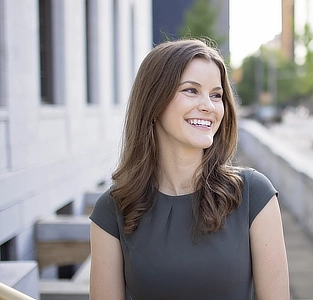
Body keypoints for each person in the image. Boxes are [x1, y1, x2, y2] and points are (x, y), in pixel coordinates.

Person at [89, 39, 290, 299]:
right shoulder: (113, 208)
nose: (208, 106)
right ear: (154, 100)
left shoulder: (253, 195)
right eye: (191, 90)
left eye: (216, 95)